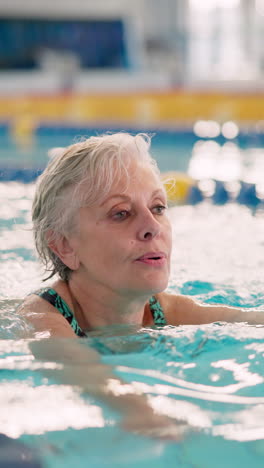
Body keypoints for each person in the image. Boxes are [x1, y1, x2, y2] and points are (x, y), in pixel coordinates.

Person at [18, 132, 264, 438]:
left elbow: (248, 321)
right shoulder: (42, 318)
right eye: (120, 213)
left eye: (158, 207)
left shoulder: (166, 310)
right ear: (65, 246)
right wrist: (146, 417)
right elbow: (82, 370)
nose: (152, 227)